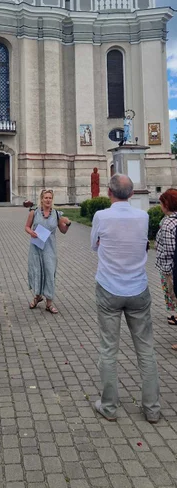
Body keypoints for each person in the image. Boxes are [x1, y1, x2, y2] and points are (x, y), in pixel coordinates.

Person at [91, 174, 160, 423]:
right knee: (146, 350)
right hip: (138, 289)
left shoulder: (101, 216)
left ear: (109, 192)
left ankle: (108, 407)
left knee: (109, 349)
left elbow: (94, 245)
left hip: (109, 288)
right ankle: (152, 408)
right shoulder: (142, 216)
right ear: (132, 194)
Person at [26, 189, 71, 314]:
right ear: (41, 199)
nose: (48, 200)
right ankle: (37, 296)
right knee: (37, 271)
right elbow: (27, 227)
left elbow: (63, 230)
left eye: (50, 198)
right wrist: (31, 233)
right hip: (36, 248)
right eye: (45, 197)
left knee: (50, 273)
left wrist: (67, 224)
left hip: (50, 249)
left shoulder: (56, 214)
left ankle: (49, 302)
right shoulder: (34, 213)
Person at [155, 188, 177, 342]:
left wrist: (169, 271)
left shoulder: (168, 223)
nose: (160, 206)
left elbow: (170, 249)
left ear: (167, 204)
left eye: (161, 203)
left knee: (173, 295)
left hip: (170, 268)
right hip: (172, 267)